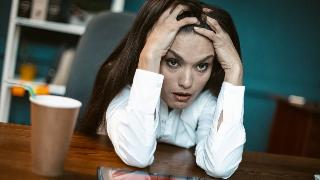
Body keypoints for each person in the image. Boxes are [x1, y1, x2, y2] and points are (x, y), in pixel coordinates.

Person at [81, 0, 246, 179]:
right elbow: (138, 155)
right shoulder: (125, 92)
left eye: (201, 66)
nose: (186, 82)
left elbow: (221, 167)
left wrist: (235, 71)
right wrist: (149, 56)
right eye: (173, 62)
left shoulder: (205, 102)